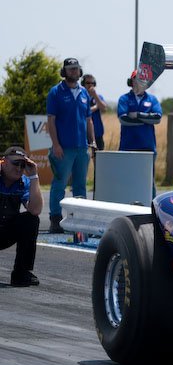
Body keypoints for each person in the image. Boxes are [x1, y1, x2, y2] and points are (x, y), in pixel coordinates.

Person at [46, 57, 96, 234]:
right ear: (64, 71)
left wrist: (92, 142)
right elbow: (51, 121)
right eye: (71, 69)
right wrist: (56, 144)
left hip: (82, 148)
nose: (74, 71)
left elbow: (89, 121)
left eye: (76, 68)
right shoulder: (55, 92)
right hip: (63, 148)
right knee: (59, 183)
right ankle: (55, 219)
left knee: (80, 185)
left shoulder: (84, 93)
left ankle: (78, 220)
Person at [0, 147, 43, 286]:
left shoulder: (24, 182)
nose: (19, 168)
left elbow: (35, 210)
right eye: (15, 163)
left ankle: (21, 273)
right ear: (4, 162)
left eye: (23, 165)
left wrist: (34, 177)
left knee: (31, 220)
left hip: (5, 232)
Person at [117, 70, 162, 196]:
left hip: (147, 147)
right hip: (128, 147)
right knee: (128, 180)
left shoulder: (152, 99)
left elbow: (157, 118)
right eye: (136, 79)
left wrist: (137, 115)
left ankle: (150, 205)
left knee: (148, 182)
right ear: (131, 82)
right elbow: (124, 119)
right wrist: (146, 120)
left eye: (142, 80)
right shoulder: (124, 99)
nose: (139, 82)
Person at [82, 74, 107, 150]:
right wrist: (96, 107)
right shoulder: (81, 96)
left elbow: (104, 109)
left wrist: (95, 95)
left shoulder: (98, 97)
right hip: (84, 134)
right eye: (88, 83)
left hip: (98, 133)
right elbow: (83, 112)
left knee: (99, 156)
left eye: (92, 83)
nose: (90, 85)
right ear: (83, 84)